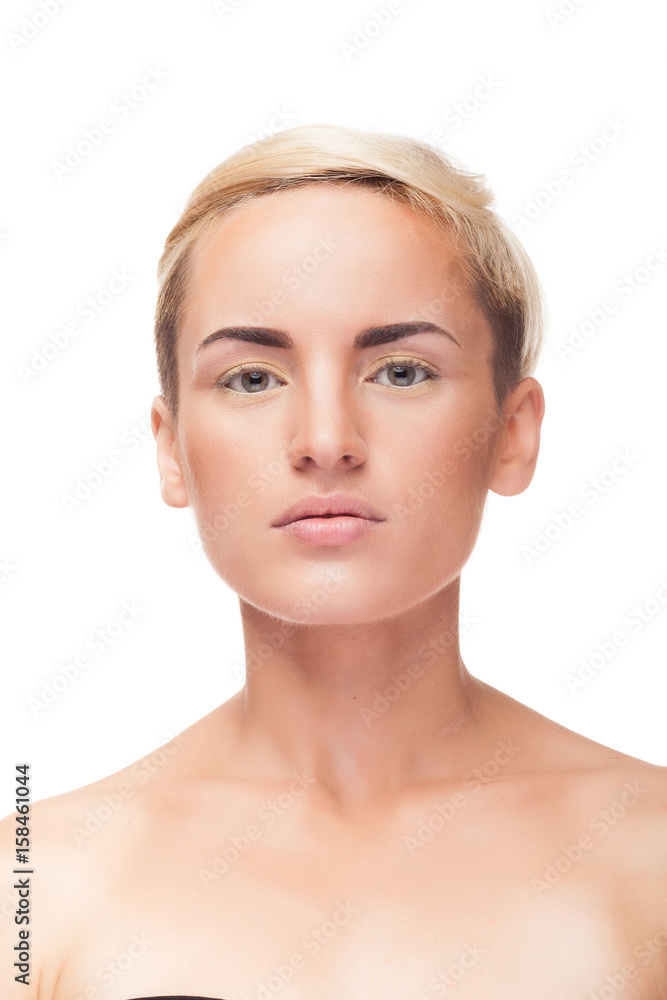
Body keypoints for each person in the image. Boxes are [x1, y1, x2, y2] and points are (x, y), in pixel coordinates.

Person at [2, 123, 666, 1000]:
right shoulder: (33, 886)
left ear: (512, 432)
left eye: (398, 371)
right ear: (171, 450)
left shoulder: (649, 857)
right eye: (250, 378)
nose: (324, 442)